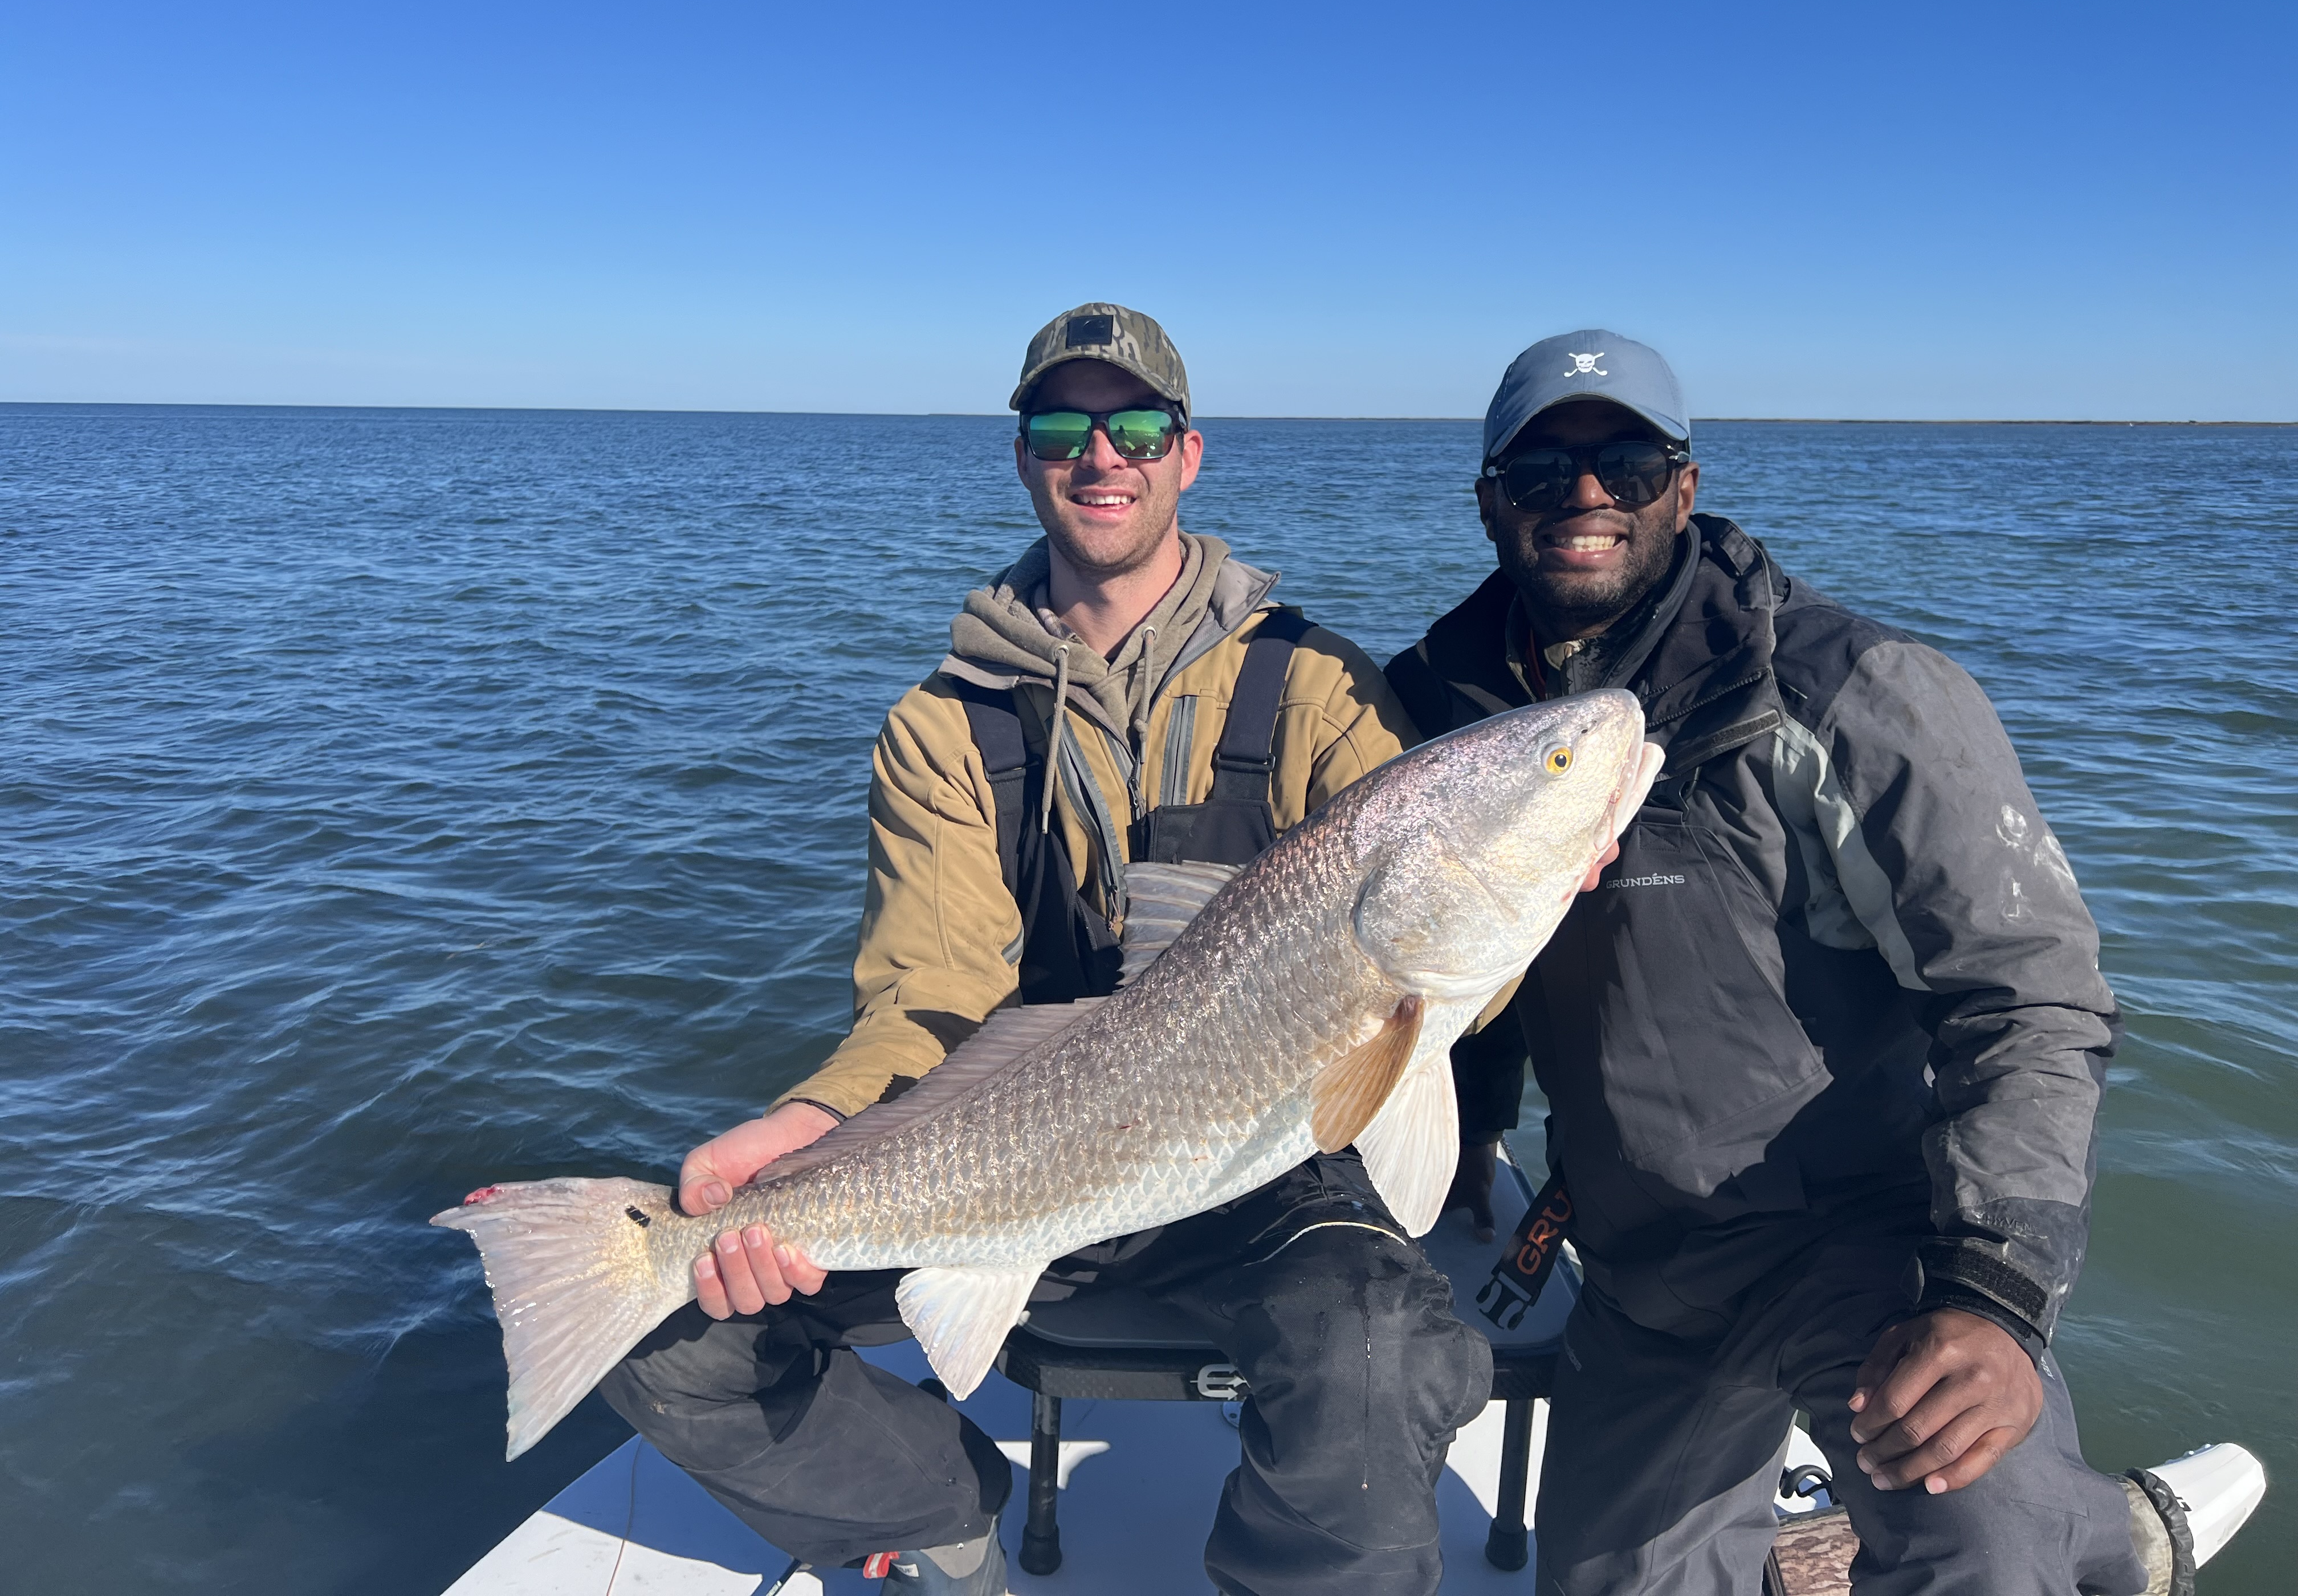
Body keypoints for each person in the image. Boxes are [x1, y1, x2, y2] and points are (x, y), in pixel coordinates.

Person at [600, 304, 1498, 1596]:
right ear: (1024, 455)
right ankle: (943, 1526)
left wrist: (1530, 896)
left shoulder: (1320, 687)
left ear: (1188, 455)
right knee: (661, 1314)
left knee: (1382, 1346)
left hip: (1271, 1150)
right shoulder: (941, 726)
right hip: (1018, 1154)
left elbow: (1439, 964)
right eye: (1064, 426)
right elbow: (933, 990)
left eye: (1137, 426)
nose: (1102, 455)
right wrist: (815, 1118)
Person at [1386, 330, 2169, 1595]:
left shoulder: (1853, 690)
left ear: (1684, 489)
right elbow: (1430, 973)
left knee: (1987, 1531)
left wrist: (1997, 1293)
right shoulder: (1437, 706)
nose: (1585, 495)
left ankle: (2079, 1528)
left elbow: (2032, 997)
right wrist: (1469, 1145)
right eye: (1541, 472)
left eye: (1627, 463)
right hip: (1636, 1270)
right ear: (1490, 503)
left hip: (1861, 1244)